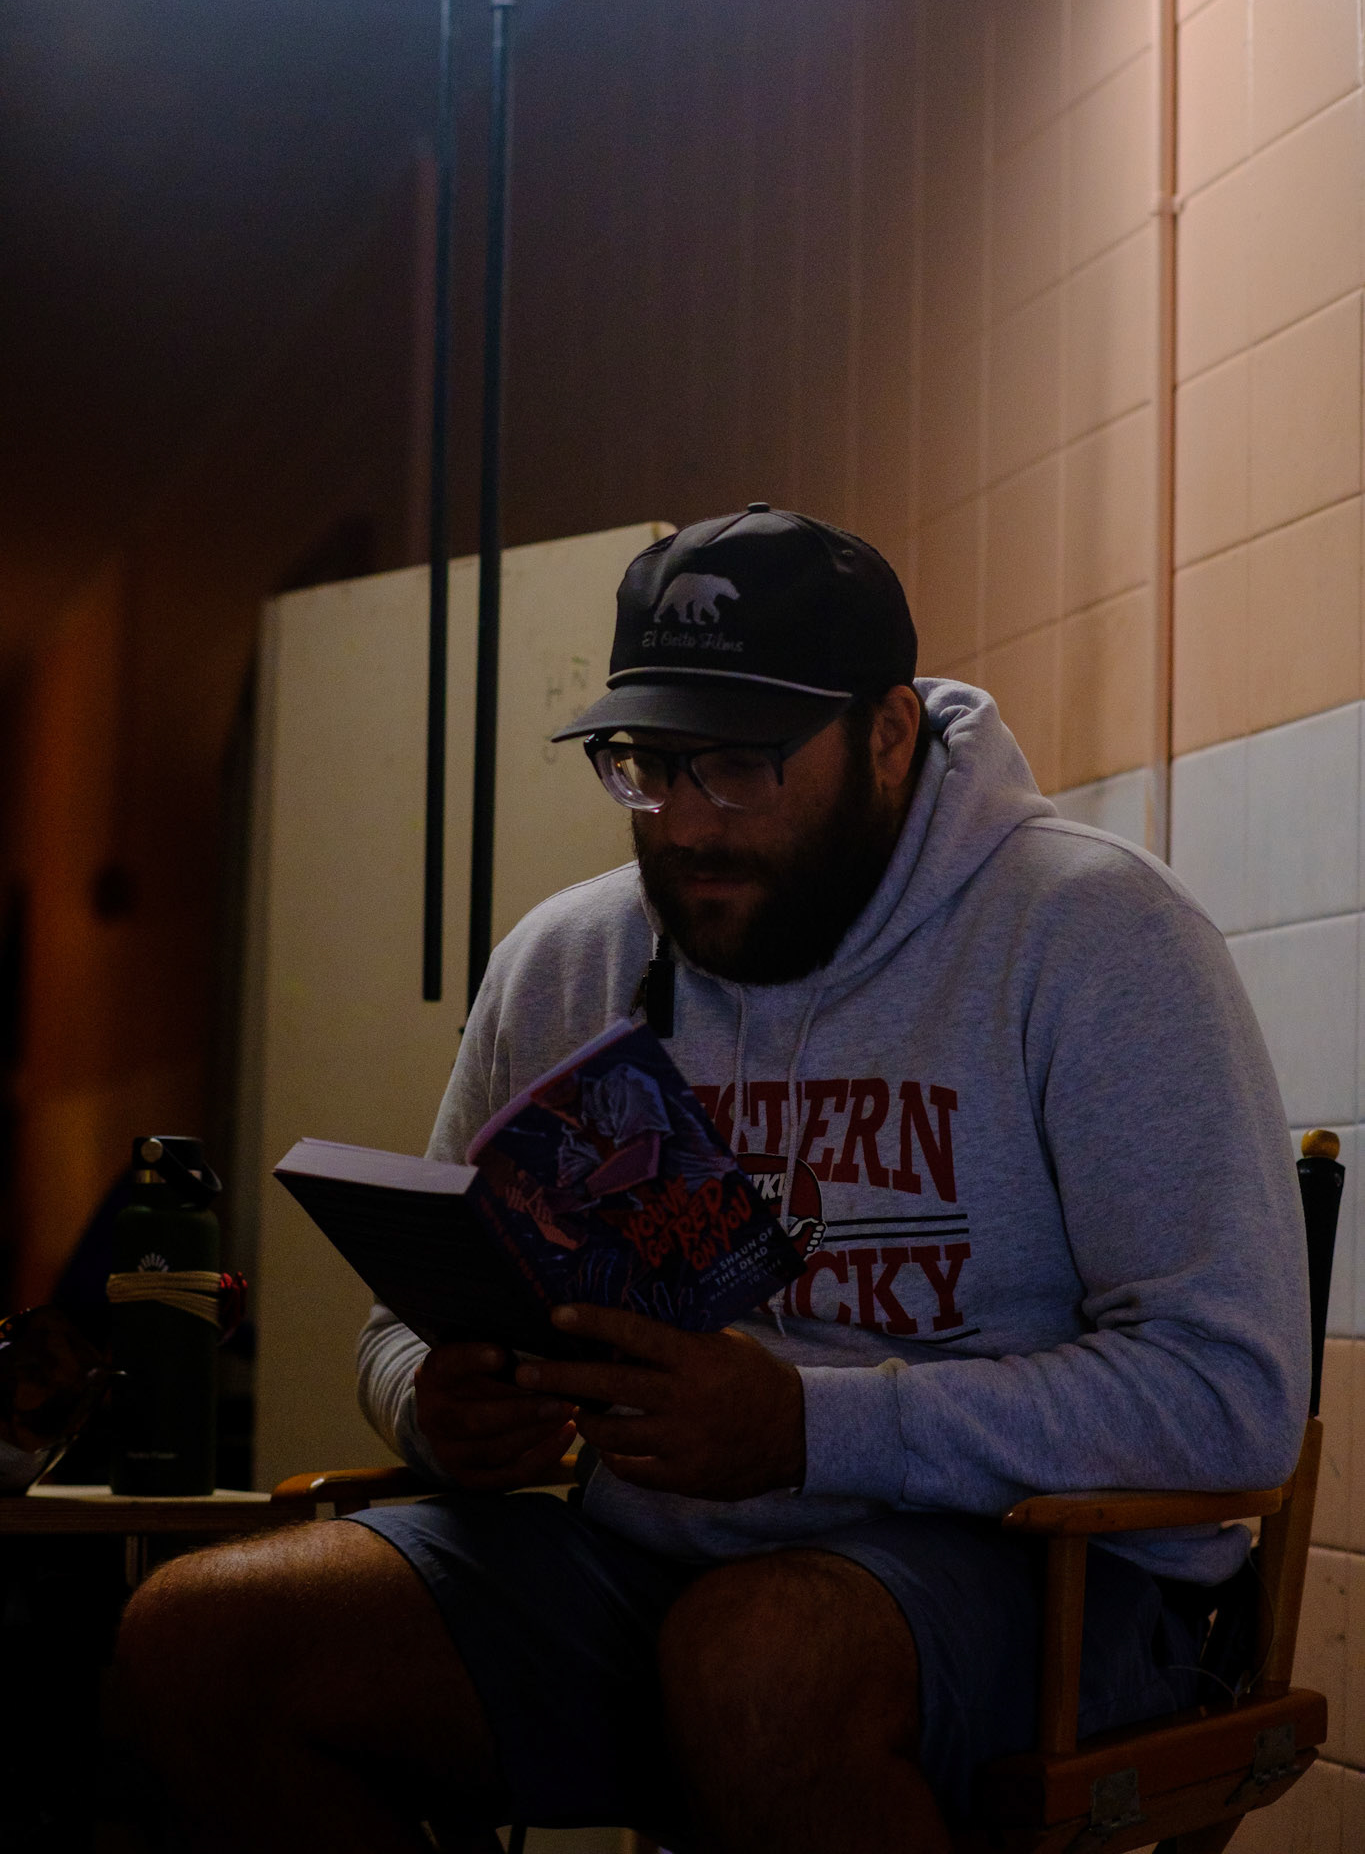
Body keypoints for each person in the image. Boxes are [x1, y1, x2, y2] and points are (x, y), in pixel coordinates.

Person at [112, 504, 1310, 1854]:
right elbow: (409, 1316)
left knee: (757, 1667)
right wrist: (435, 1404)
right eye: (648, 765)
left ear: (888, 736)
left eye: (739, 764)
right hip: (647, 1564)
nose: (685, 821)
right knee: (194, 1641)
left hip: (1046, 1578)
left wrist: (810, 1429)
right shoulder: (564, 959)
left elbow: (1230, 1399)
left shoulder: (1096, 936)